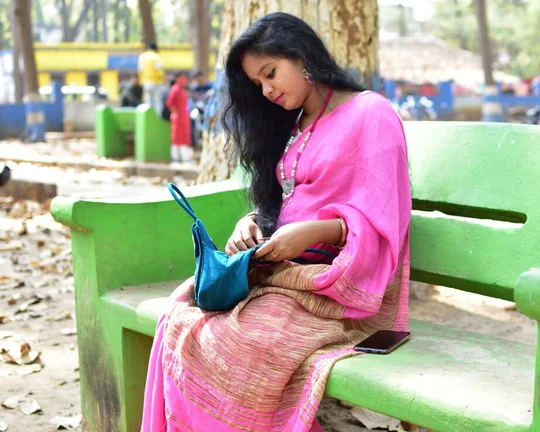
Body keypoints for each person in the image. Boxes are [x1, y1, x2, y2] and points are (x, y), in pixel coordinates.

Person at [141, 12, 411, 432]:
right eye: (257, 84)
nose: (266, 91)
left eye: (270, 73)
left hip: (334, 284)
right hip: (277, 271)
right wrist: (251, 223)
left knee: (232, 342)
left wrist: (318, 232)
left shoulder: (370, 113)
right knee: (179, 310)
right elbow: (287, 201)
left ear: (302, 56)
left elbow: (383, 218)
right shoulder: (294, 123)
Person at [165, 72, 193, 163]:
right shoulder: (175, 89)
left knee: (184, 137)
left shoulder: (182, 90)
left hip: (183, 117)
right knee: (177, 138)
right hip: (178, 118)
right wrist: (175, 113)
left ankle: (183, 157)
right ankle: (176, 157)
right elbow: (169, 103)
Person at [138, 41, 165, 115]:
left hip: (146, 83)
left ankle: (148, 117)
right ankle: (157, 119)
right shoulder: (157, 57)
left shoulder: (142, 57)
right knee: (157, 102)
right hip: (156, 82)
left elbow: (140, 71)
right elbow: (160, 72)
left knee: (148, 102)